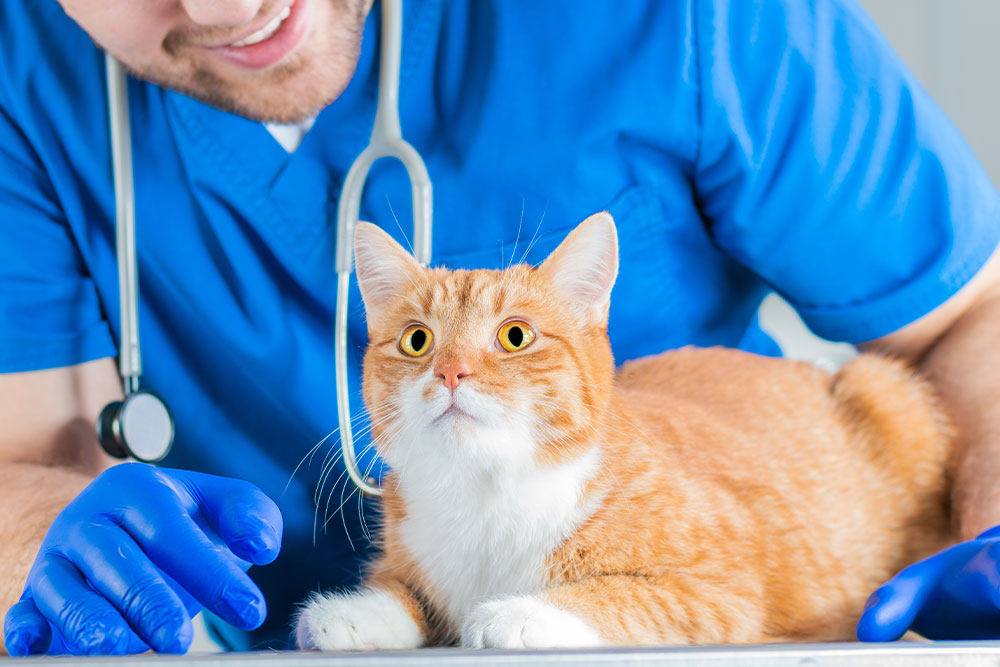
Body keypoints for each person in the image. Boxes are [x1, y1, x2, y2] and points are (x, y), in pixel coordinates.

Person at [2, 0, 1000, 654]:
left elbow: (972, 313)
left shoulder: (687, 17)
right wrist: (57, 543)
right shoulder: (23, 71)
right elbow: (14, 456)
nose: (227, 8)